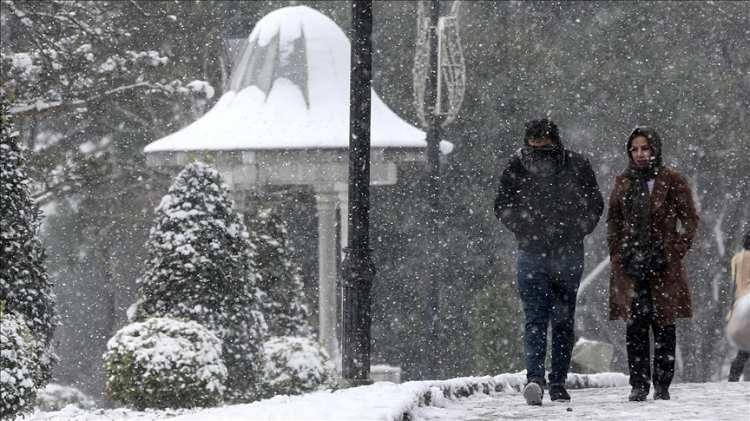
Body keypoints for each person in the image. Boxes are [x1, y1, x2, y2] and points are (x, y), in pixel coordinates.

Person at [494, 118, 604, 405]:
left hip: (562, 252)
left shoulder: (577, 165)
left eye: (543, 141)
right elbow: (503, 205)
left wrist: (575, 228)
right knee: (539, 318)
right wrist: (526, 227)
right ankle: (537, 379)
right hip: (534, 251)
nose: (539, 147)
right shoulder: (517, 166)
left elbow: (594, 203)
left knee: (559, 320)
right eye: (534, 142)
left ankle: (554, 380)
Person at [607, 126, 699, 401]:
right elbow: (614, 220)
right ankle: (638, 384)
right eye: (634, 149)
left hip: (663, 265)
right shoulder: (623, 181)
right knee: (635, 326)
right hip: (631, 265)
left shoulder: (671, 179)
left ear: (655, 149)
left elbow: (690, 219)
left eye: (645, 148)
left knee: (664, 325)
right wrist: (618, 254)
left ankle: (662, 385)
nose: (640, 154)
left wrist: (675, 250)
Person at [728, 230, 750, 381]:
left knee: (744, 349)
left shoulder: (737, 258)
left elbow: (734, 285)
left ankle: (733, 378)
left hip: (741, 303)